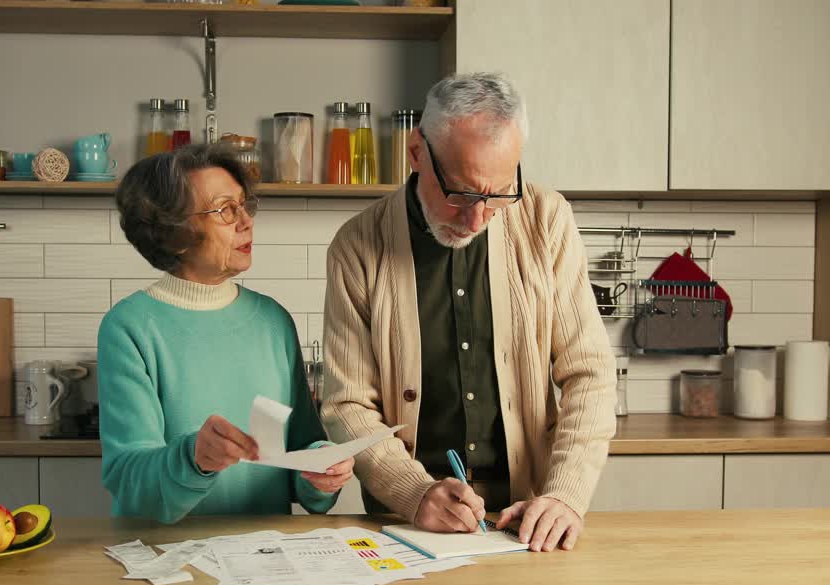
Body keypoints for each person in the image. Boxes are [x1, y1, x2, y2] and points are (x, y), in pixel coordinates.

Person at [321, 72, 616, 551]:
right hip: (406, 526)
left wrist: (565, 494)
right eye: (460, 192)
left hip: (528, 522)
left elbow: (590, 374)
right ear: (417, 152)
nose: (477, 218)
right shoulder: (357, 246)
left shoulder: (547, 220)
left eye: (499, 194)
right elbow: (347, 404)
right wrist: (414, 493)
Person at [100, 144, 354, 523]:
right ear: (174, 232)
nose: (246, 222)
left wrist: (321, 474)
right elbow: (131, 484)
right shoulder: (129, 328)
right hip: (162, 564)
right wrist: (194, 458)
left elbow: (299, 458)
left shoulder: (273, 320)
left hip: (264, 560)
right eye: (224, 210)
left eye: (244, 206)